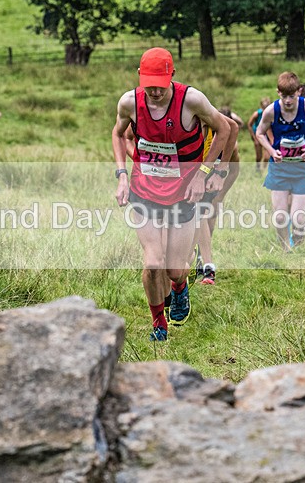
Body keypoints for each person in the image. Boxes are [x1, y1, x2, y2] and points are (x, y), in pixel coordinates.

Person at [112, 47, 230, 342]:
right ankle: (158, 324)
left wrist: (205, 174)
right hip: (144, 191)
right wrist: (122, 175)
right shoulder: (129, 102)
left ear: (172, 76)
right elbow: (118, 133)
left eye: (160, 86)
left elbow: (225, 129)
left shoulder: (192, 100)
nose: (154, 91)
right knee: (153, 263)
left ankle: (179, 287)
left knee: (175, 270)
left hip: (183, 194)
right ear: (139, 76)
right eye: (148, 84)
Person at [255, 72, 305, 250]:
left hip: (302, 169)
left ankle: (298, 243)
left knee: (298, 217)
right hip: (280, 169)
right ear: (278, 92)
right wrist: (272, 151)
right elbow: (259, 133)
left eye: (292, 96)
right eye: (284, 96)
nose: (288, 101)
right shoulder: (271, 111)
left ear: (299, 91)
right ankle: (286, 249)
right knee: (280, 217)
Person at [190, 107, 241, 285]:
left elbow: (234, 171)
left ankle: (204, 262)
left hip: (211, 179)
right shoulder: (195, 125)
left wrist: (221, 193)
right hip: (192, 173)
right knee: (197, 215)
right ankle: (201, 262)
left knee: (206, 217)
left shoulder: (231, 146)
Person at [246, 97, 271, 172]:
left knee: (267, 157)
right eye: (264, 108)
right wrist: (254, 137)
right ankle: (258, 168)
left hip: (267, 136)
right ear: (261, 107)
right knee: (259, 157)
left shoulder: (271, 114)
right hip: (258, 136)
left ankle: (264, 170)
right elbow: (249, 124)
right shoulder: (257, 114)